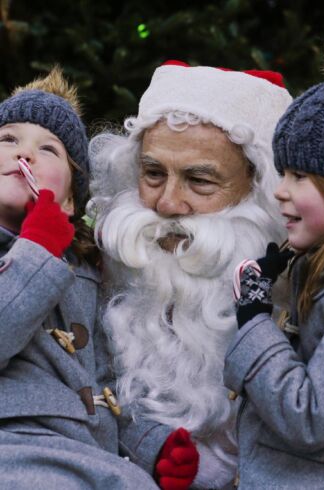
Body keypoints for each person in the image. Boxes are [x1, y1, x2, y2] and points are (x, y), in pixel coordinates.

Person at [89, 61, 292, 489]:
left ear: (260, 188)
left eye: (199, 180)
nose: (167, 203)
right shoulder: (88, 277)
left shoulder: (313, 299)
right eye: (153, 173)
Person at [224, 22, 324, 489]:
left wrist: (254, 320)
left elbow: (310, 415)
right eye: (282, 171)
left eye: (300, 175)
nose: (280, 192)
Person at [0, 67, 159, 489]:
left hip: (90, 449)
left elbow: (105, 378)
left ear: (70, 197)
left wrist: (152, 444)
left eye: (48, 149)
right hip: (15, 444)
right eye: (8, 139)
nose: (25, 154)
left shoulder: (85, 267)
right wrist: (35, 249)